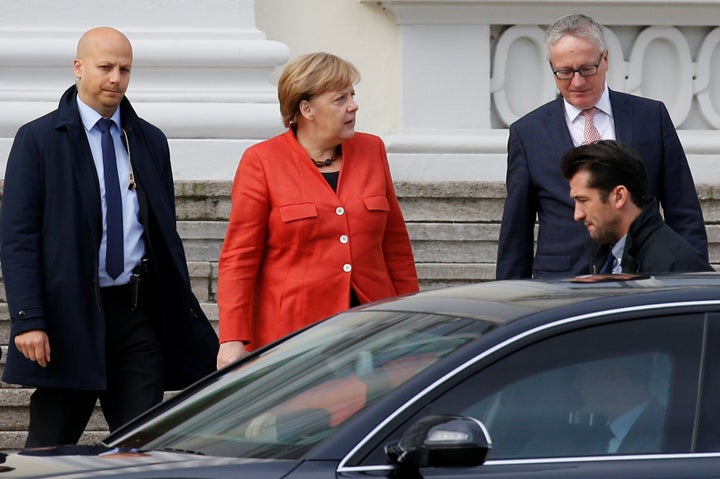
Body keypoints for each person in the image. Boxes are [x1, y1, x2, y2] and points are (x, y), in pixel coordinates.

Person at [0, 27, 219, 448]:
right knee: (48, 449)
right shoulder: (39, 139)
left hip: (137, 317)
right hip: (68, 319)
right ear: (78, 68)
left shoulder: (150, 140)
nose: (115, 78)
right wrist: (29, 318)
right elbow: (18, 238)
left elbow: (162, 231)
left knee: (140, 450)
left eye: (124, 69)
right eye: (105, 67)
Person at [216, 52, 419, 368]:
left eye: (352, 95)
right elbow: (240, 257)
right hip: (295, 339)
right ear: (306, 108)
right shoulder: (262, 161)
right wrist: (231, 339)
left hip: (373, 330)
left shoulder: (372, 150)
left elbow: (395, 247)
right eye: (340, 98)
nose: (353, 105)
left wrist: (410, 318)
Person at [496, 13, 708, 280]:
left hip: (646, 278)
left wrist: (695, 282)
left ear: (605, 59)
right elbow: (516, 231)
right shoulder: (528, 133)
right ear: (551, 67)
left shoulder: (650, 118)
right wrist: (509, 296)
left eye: (587, 69)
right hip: (562, 284)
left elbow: (683, 209)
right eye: (564, 72)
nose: (577, 82)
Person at [561, 140, 713, 275]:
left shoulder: (672, 267)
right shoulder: (604, 250)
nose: (577, 214)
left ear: (619, 196)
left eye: (583, 200)